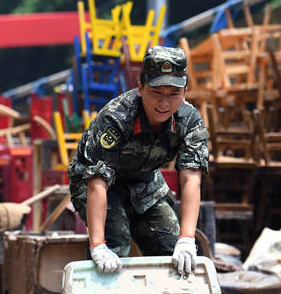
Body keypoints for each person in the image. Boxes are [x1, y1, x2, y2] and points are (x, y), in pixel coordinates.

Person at [68, 46, 209, 279]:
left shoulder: (189, 121)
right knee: (114, 246)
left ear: (184, 92)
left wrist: (186, 239)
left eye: (173, 94)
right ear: (141, 88)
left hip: (143, 180)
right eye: (157, 93)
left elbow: (191, 179)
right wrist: (98, 245)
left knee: (176, 251)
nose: (164, 103)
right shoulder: (117, 117)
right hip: (95, 182)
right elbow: (97, 182)